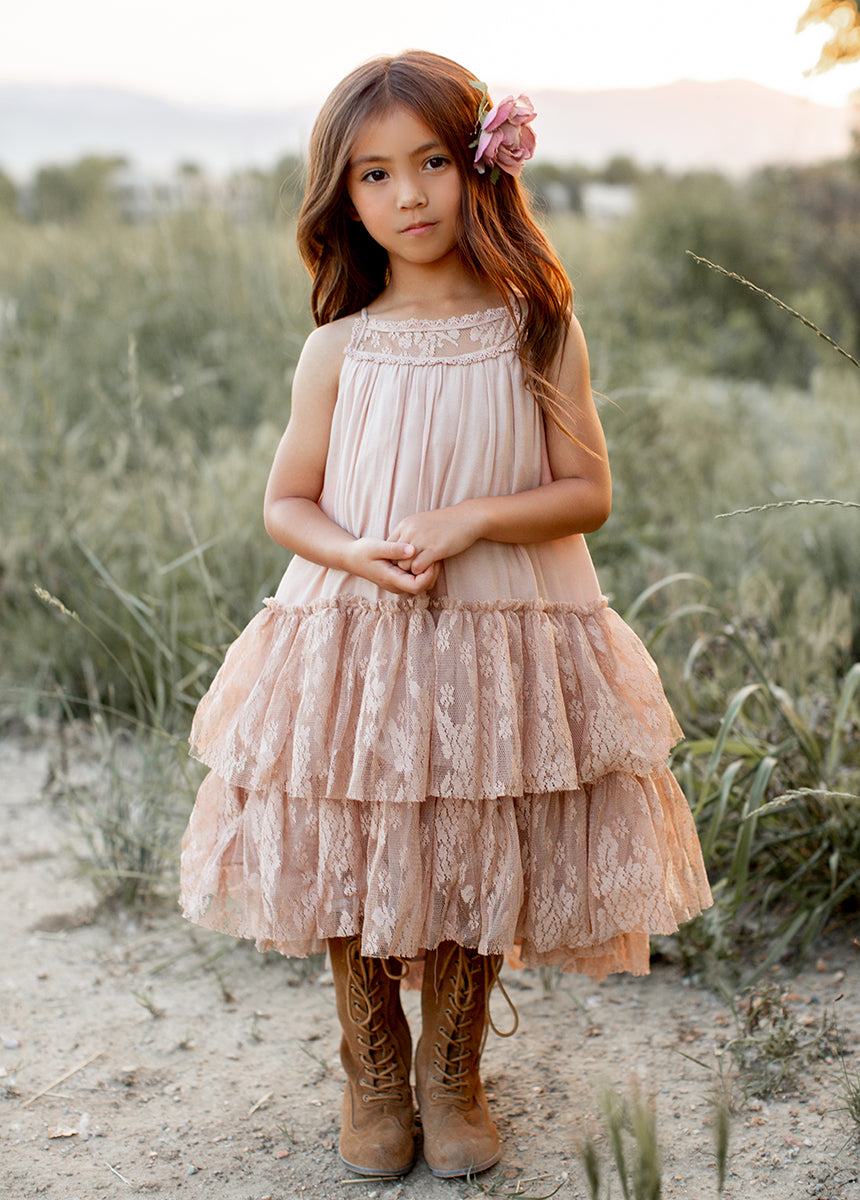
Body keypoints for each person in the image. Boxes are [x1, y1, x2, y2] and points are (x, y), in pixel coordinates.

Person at [180, 50, 712, 1181]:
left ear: (479, 168)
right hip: (356, 627)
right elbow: (287, 502)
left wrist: (470, 517)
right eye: (372, 176)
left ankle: (451, 1066)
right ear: (342, 197)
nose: (408, 196)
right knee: (354, 827)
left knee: (480, 826)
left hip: (504, 623)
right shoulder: (337, 348)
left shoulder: (536, 328)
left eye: (429, 162)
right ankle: (373, 1060)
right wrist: (355, 552)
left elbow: (587, 493)